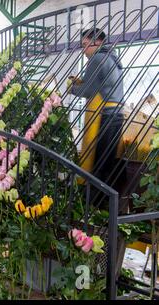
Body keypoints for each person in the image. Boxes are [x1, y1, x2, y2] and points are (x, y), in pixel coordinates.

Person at [69, 28, 125, 191]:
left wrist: (71, 88)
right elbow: (100, 84)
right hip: (117, 114)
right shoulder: (112, 57)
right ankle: (107, 202)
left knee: (97, 162)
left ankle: (94, 201)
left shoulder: (96, 58)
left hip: (103, 116)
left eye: (86, 44)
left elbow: (89, 91)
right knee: (108, 161)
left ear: (98, 42)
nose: (84, 49)